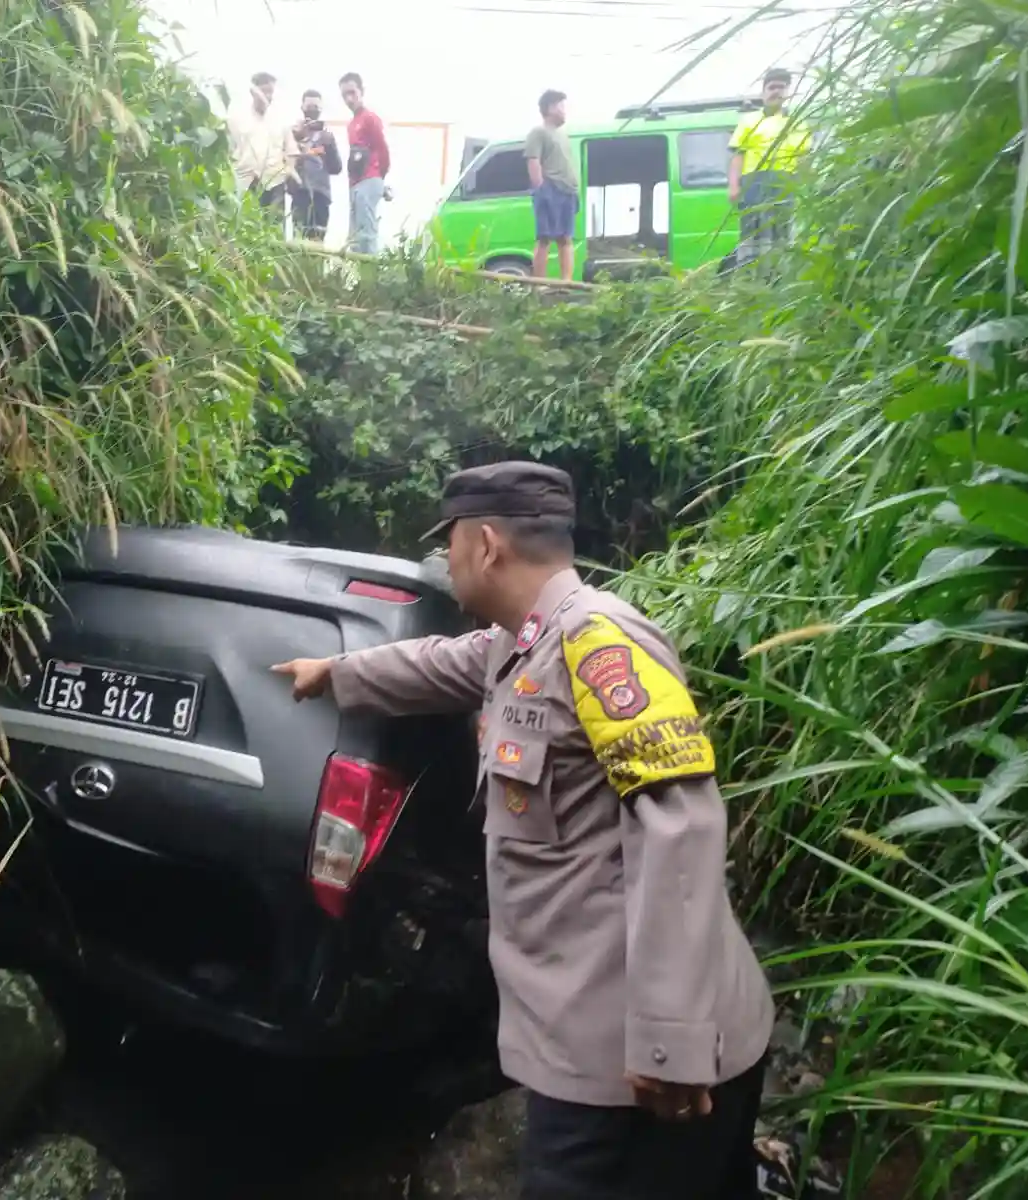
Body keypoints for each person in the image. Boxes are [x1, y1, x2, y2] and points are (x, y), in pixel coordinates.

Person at [273, 461, 774, 1200]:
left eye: (447, 544)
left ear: (485, 544)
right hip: (597, 1042)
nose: (445, 561)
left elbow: (683, 824)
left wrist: (671, 1043)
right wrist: (335, 672)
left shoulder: (601, 646)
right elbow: (442, 663)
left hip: (630, 1068)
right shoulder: (522, 642)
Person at [728, 68, 811, 265]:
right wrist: (733, 186)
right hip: (753, 184)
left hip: (785, 183)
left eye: (781, 87)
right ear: (763, 92)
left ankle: (778, 280)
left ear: (787, 92)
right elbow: (737, 155)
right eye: (772, 87)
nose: (776, 91)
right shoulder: (749, 121)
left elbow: (803, 158)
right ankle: (749, 278)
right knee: (752, 232)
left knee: (781, 233)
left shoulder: (797, 122)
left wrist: (806, 184)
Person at [228, 70, 298, 222]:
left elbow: (291, 149)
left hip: (274, 182)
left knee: (274, 229)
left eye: (271, 92)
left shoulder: (280, 119)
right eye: (264, 91)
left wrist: (290, 170)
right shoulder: (238, 118)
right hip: (245, 182)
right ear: (254, 92)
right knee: (246, 227)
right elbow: (228, 150)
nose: (268, 96)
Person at [526, 89, 580, 281]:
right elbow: (533, 161)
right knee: (544, 238)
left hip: (568, 192)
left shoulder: (563, 134)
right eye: (561, 106)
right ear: (549, 108)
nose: (565, 110)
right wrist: (541, 190)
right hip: (550, 190)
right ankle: (539, 283)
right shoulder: (538, 132)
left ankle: (567, 282)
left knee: (565, 238)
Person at [339, 72, 391, 254]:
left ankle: (372, 277)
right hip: (355, 182)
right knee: (355, 237)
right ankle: (360, 278)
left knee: (367, 234)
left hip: (370, 179)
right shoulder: (351, 124)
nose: (349, 98)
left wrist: (379, 178)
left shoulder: (370, 118)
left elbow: (382, 148)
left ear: (362, 91)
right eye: (344, 94)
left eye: (352, 92)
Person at [289, 89, 343, 242]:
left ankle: (317, 266)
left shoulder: (327, 136)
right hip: (300, 193)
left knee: (317, 240)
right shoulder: (294, 133)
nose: (312, 110)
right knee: (299, 238)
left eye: (316, 106)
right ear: (302, 107)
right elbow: (288, 161)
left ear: (321, 109)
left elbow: (336, 168)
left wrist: (329, 147)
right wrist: (300, 141)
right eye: (309, 105)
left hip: (321, 195)